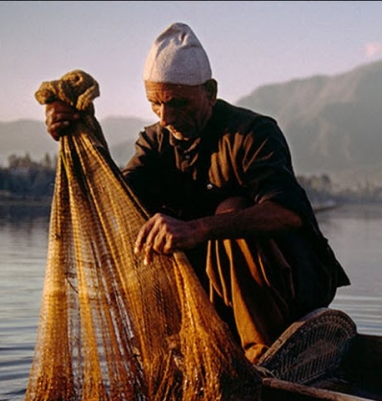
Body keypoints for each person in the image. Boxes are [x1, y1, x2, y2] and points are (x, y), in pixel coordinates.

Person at [44, 22, 350, 363]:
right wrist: (83, 136)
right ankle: (174, 345)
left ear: (210, 92)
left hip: (293, 285)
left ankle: (260, 357)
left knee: (231, 211)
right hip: (213, 292)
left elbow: (287, 213)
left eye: (178, 104)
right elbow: (118, 199)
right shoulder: (155, 141)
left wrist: (196, 229)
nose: (165, 118)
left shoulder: (252, 133)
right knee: (149, 231)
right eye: (155, 105)